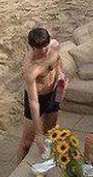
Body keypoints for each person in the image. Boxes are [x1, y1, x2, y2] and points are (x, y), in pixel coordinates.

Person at [19, 27, 65, 163]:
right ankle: (17, 169)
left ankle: (46, 164)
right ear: (32, 47)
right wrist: (38, 134)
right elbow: (33, 102)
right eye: (39, 48)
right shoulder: (31, 69)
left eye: (45, 45)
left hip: (54, 92)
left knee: (50, 134)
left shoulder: (54, 46)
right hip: (38, 97)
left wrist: (61, 74)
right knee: (26, 143)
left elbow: (57, 60)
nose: (44, 50)